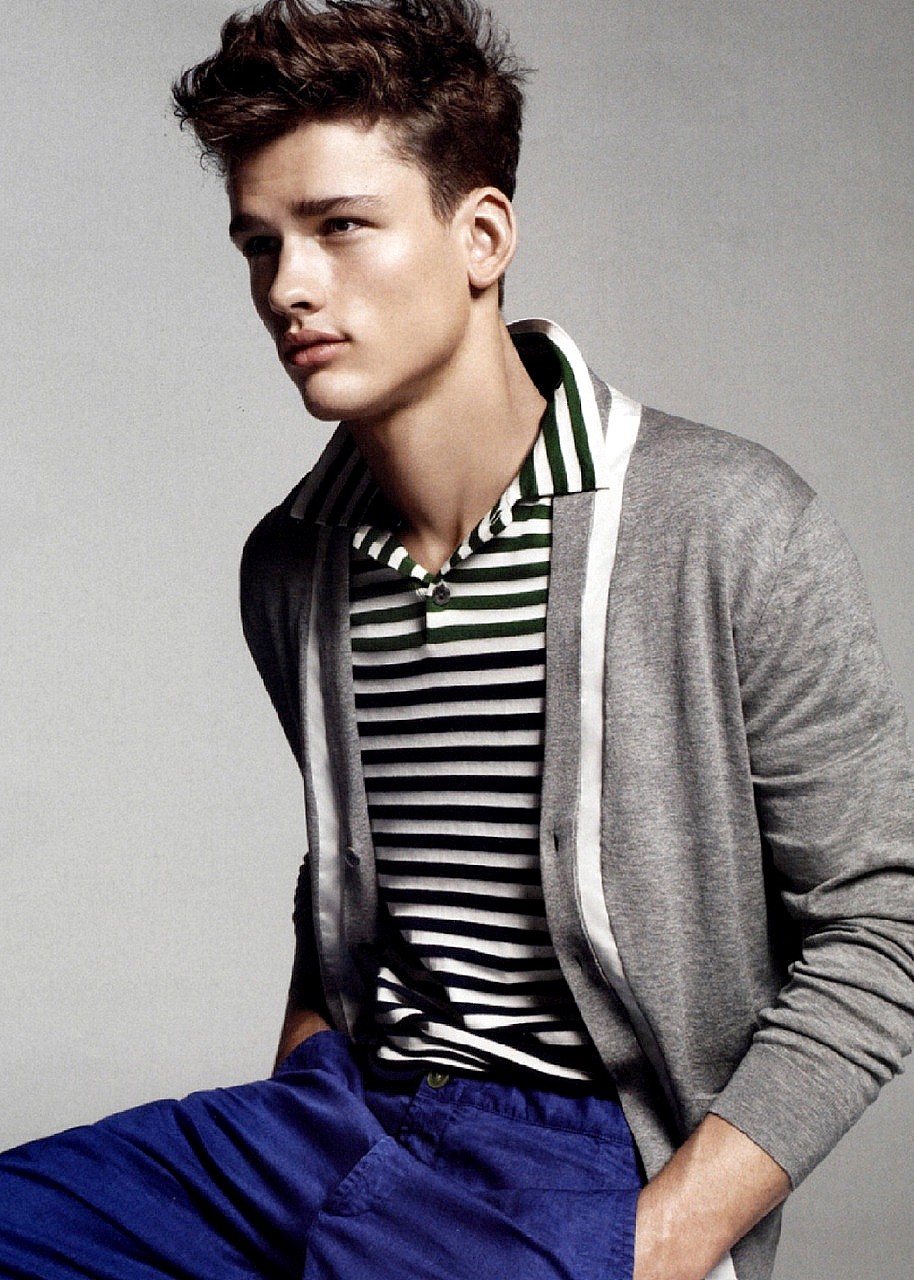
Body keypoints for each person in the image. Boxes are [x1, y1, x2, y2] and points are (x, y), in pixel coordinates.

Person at [1, 2, 912, 1278]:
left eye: (339, 226)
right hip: (340, 1117)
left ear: (480, 236)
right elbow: (352, 888)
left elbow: (880, 926)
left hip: (583, 1152)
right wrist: (305, 1082)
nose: (287, 286)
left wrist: (660, 1240)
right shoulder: (293, 564)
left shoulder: (726, 523)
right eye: (260, 242)